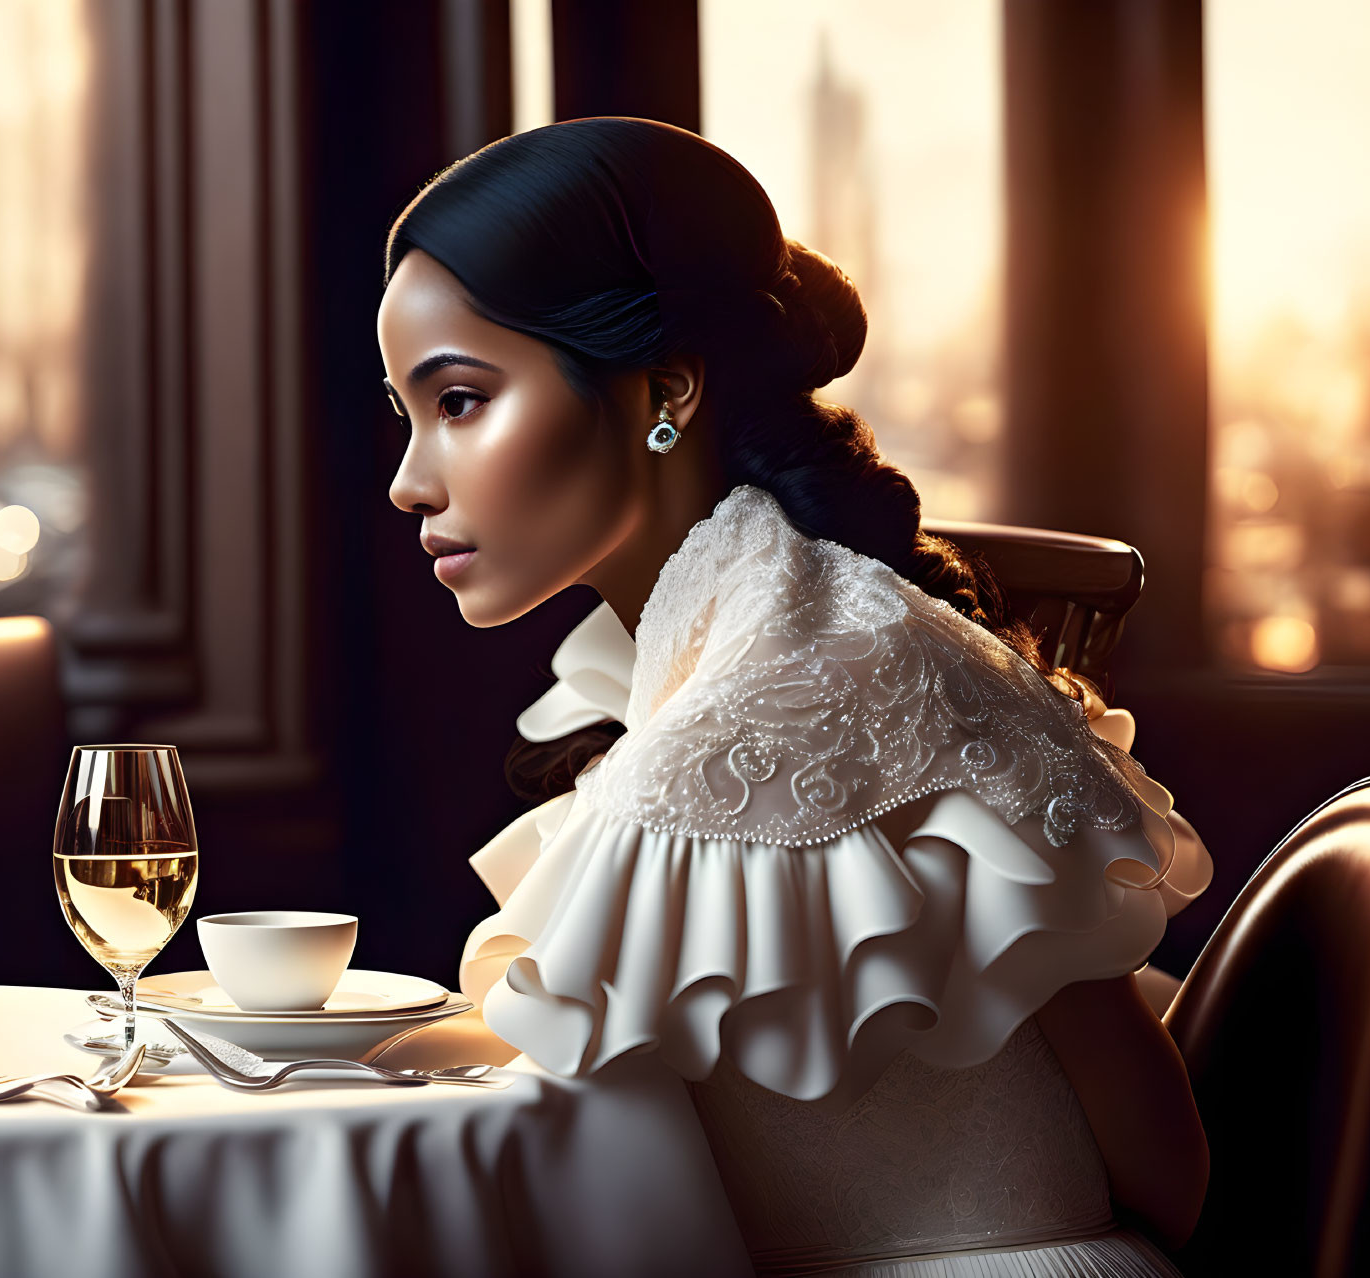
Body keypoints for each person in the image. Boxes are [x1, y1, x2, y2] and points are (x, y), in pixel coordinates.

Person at [376, 116, 1213, 1276]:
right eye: (407, 414)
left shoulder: (789, 686)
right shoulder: (762, 631)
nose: (409, 482)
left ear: (663, 388)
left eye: (460, 400)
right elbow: (1155, 1159)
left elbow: (1165, 1173)